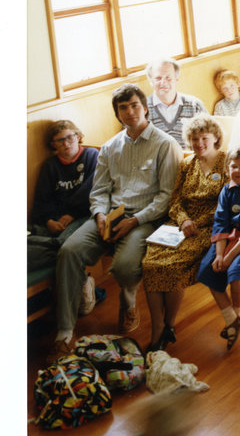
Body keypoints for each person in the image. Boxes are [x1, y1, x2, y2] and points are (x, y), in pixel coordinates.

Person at [50, 84, 182, 360]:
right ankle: (64, 331)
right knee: (69, 251)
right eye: (123, 107)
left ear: (145, 108)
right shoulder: (110, 147)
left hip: (146, 218)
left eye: (135, 105)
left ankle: (128, 299)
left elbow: (166, 197)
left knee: (124, 268)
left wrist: (134, 221)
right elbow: (99, 190)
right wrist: (99, 215)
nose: (130, 112)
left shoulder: (165, 144)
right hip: (110, 215)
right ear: (117, 113)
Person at [141, 114, 228, 353]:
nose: (199, 143)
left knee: (171, 266)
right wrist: (183, 219)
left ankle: (166, 325)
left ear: (215, 138)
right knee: (150, 263)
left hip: (209, 228)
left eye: (204, 138)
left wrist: (197, 223)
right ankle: (159, 326)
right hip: (180, 225)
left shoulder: (227, 163)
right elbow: (175, 200)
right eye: (194, 138)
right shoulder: (187, 164)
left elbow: (229, 206)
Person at [196, 145, 240, 351]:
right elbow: (220, 222)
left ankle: (239, 312)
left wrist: (228, 258)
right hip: (229, 237)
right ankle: (231, 320)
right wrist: (219, 255)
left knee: (236, 272)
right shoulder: (227, 190)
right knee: (209, 269)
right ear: (227, 168)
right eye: (234, 167)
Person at [28, 120, 99, 269]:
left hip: (82, 216)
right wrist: (49, 221)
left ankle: (55, 246)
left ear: (78, 136)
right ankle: (52, 246)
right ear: (53, 144)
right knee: (31, 230)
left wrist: (71, 214)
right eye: (60, 141)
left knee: (66, 245)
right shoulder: (50, 166)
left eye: (70, 138)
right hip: (55, 220)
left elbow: (92, 190)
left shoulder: (92, 155)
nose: (66, 144)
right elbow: (42, 198)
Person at [145, 58, 208, 147]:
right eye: (158, 78)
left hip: (191, 159)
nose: (163, 82)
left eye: (168, 78)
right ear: (151, 81)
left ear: (177, 78)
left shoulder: (195, 105)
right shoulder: (141, 109)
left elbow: (209, 139)